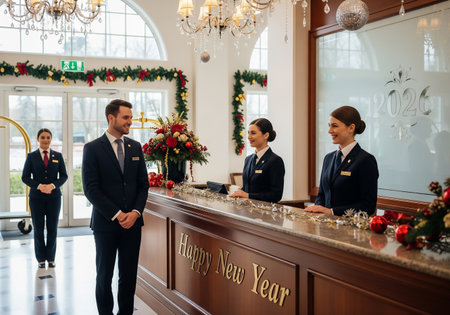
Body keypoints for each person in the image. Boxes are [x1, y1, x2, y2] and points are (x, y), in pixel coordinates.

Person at [82, 99, 149, 315]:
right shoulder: (92, 148)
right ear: (112, 118)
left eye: (130, 117)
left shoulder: (135, 147)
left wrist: (135, 213)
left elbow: (143, 185)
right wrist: (119, 214)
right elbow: (91, 189)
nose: (130, 121)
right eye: (126, 117)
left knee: (128, 276)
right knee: (104, 276)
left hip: (133, 224)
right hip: (106, 224)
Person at [306, 106, 379, 216]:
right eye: (329, 126)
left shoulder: (366, 160)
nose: (330, 131)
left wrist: (332, 212)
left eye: (334, 126)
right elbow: (321, 194)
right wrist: (318, 209)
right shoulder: (328, 158)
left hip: (350, 230)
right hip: (325, 227)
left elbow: (368, 205)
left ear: (351, 128)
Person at [22, 128, 67, 269]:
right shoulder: (31, 156)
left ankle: (51, 258)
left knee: (53, 228)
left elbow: (64, 176)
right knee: (39, 228)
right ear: (38, 139)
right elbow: (25, 177)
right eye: (43, 137)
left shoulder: (58, 156)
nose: (45, 140)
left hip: (54, 198)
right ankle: (41, 259)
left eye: (48, 137)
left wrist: (53, 185)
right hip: (36, 198)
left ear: (51, 139)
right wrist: (39, 186)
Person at [230, 118, 285, 203]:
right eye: (248, 133)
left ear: (266, 135)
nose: (249, 137)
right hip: (247, 210)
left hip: (265, 212)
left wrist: (248, 196)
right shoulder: (248, 160)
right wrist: (237, 193)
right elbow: (246, 187)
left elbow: (276, 195)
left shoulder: (275, 161)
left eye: (253, 133)